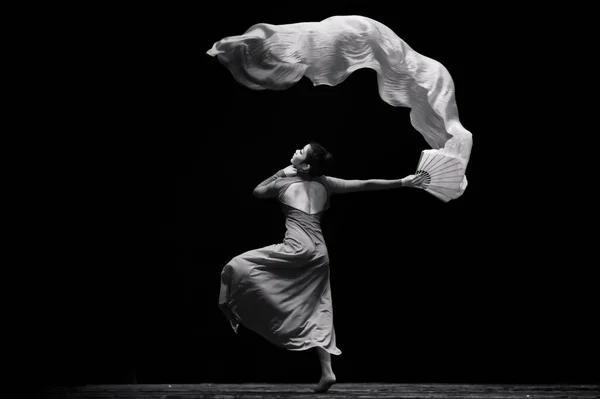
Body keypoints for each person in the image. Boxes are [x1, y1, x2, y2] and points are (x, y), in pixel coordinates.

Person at [218, 142, 426, 393]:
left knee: (237, 266)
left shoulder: (284, 183)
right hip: (319, 253)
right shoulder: (326, 183)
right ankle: (327, 372)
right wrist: (403, 181)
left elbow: (258, 191)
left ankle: (239, 307)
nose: (295, 150)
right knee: (319, 308)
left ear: (305, 165)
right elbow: (365, 183)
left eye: (300, 152)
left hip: (296, 248)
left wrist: (282, 172)